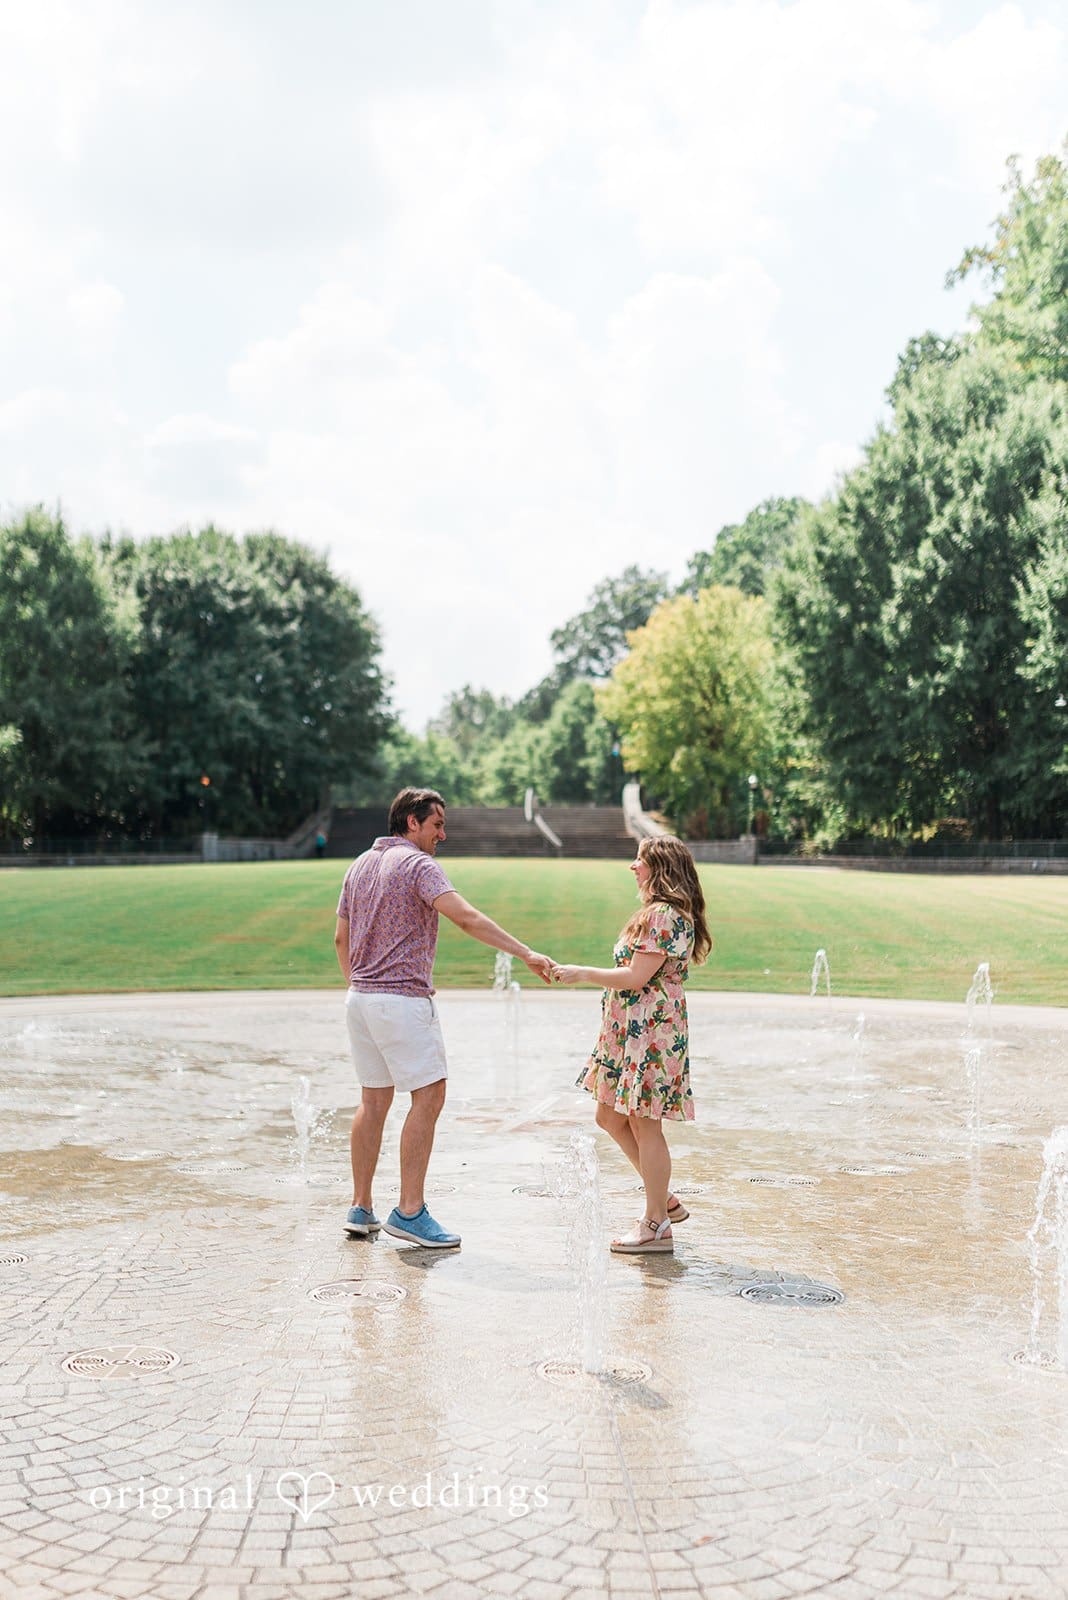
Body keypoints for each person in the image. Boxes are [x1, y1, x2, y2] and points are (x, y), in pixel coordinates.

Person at [334, 787, 554, 1249]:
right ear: (411, 822)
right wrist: (526, 953)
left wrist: (361, 987)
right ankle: (409, 1212)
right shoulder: (418, 865)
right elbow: (467, 919)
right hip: (401, 1000)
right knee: (429, 1095)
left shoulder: (359, 865)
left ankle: (361, 1207)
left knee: (373, 1101)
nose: (443, 835)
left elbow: (340, 939)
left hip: (359, 999)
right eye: (437, 824)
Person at [552, 835, 711, 1254]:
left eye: (640, 860)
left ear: (660, 868)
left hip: (649, 1032)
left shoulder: (663, 914)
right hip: (630, 1032)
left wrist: (582, 973)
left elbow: (636, 977)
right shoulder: (661, 913)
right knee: (608, 1115)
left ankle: (656, 1222)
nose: (633, 866)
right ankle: (663, 1198)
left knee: (644, 1122)